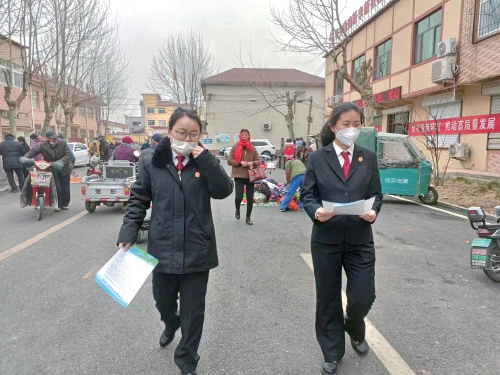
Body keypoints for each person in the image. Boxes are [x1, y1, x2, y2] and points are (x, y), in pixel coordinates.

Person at [117, 107, 233, 375]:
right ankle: (171, 323)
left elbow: (224, 191)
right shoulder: (150, 161)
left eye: (194, 133)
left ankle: (187, 360)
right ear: (169, 132)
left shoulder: (204, 161)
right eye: (182, 132)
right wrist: (128, 233)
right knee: (162, 300)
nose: (187, 138)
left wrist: (206, 161)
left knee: (194, 312)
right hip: (163, 247)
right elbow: (139, 199)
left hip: (197, 248)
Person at [301, 102, 383, 375]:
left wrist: (373, 211)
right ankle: (332, 351)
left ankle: (355, 327)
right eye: (346, 124)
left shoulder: (368, 157)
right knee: (327, 298)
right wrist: (316, 211)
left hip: (359, 238)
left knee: (363, 294)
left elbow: (377, 194)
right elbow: (307, 196)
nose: (352, 129)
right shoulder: (317, 158)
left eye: (357, 124)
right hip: (326, 238)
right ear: (333, 126)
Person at [24, 131, 72, 211]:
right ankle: (58, 204)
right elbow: (33, 152)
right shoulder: (43, 145)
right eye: (53, 138)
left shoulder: (63, 144)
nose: (55, 139)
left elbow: (68, 154)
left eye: (56, 137)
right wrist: (25, 157)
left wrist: (61, 162)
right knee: (56, 187)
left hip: (64, 168)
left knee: (65, 187)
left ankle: (65, 204)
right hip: (52, 168)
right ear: (48, 138)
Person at [227, 129, 261, 225]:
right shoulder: (235, 147)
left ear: (249, 136)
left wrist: (252, 163)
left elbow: (258, 161)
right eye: (243, 135)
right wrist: (239, 162)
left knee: (250, 197)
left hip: (250, 175)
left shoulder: (252, 148)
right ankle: (237, 209)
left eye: (246, 135)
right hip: (238, 174)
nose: (245, 136)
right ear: (240, 136)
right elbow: (229, 160)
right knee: (239, 196)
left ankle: (248, 217)